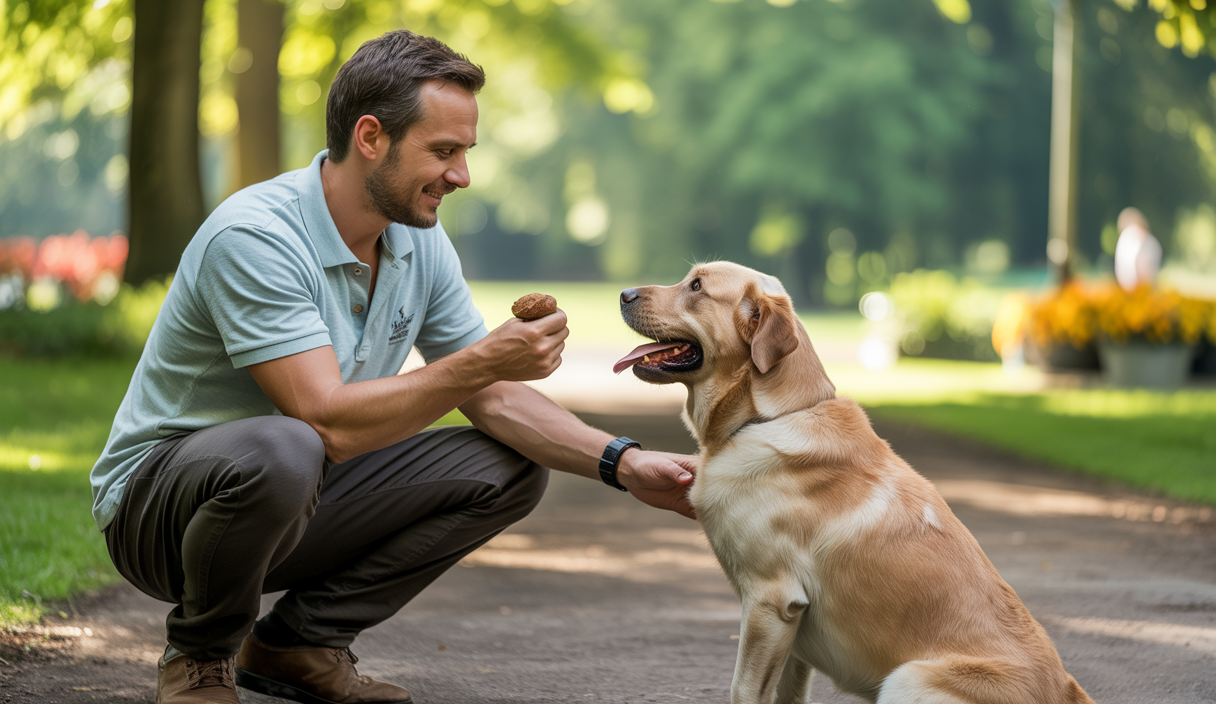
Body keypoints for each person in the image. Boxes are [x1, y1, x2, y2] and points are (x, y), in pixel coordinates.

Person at [89, 30, 697, 704]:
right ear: (371, 137)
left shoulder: (417, 242)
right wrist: (482, 362)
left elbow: (494, 400)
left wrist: (624, 462)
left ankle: (298, 645)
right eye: (443, 151)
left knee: (511, 465)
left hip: (297, 492)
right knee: (288, 445)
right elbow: (324, 421)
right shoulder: (257, 236)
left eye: (465, 153)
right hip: (161, 512)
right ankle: (198, 656)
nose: (461, 176)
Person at [1114, 206, 1161, 292]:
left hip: (1128, 287)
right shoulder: (1135, 235)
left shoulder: (1126, 236)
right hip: (1139, 287)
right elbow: (1136, 258)